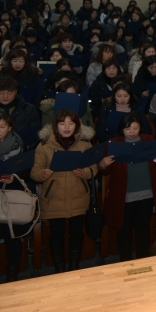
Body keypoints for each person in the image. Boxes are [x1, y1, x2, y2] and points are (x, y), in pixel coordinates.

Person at [31, 110, 96, 273]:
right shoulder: (45, 144)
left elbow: (94, 168)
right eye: (62, 123)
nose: (67, 127)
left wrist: (85, 172)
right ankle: (59, 269)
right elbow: (34, 172)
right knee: (56, 235)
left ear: (77, 125)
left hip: (78, 195)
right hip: (54, 197)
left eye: (71, 123)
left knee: (76, 233)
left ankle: (74, 266)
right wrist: (42, 173)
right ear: (55, 126)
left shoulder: (85, 144)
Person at [98, 113, 156, 261]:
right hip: (124, 194)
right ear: (122, 129)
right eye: (128, 128)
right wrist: (102, 164)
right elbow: (104, 170)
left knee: (143, 228)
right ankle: (125, 261)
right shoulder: (114, 143)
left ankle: (143, 259)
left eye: (135, 128)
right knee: (124, 230)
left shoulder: (148, 140)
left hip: (147, 192)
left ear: (140, 128)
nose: (132, 131)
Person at [0, 112, 28, 281]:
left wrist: (14, 178)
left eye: (2, 126)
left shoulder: (18, 145)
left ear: (9, 128)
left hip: (11, 198)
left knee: (12, 238)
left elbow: (26, 174)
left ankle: (12, 277)